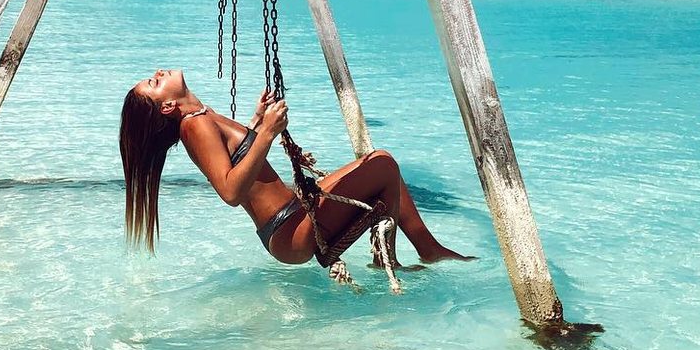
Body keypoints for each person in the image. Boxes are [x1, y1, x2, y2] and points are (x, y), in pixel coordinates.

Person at [119, 68, 474, 265]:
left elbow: (239, 158)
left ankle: (421, 250)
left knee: (380, 168)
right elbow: (230, 191)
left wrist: (257, 123)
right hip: (289, 230)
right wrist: (268, 134)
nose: (159, 73)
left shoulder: (201, 117)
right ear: (166, 107)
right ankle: (399, 257)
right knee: (383, 163)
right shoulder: (193, 125)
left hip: (293, 218)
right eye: (154, 83)